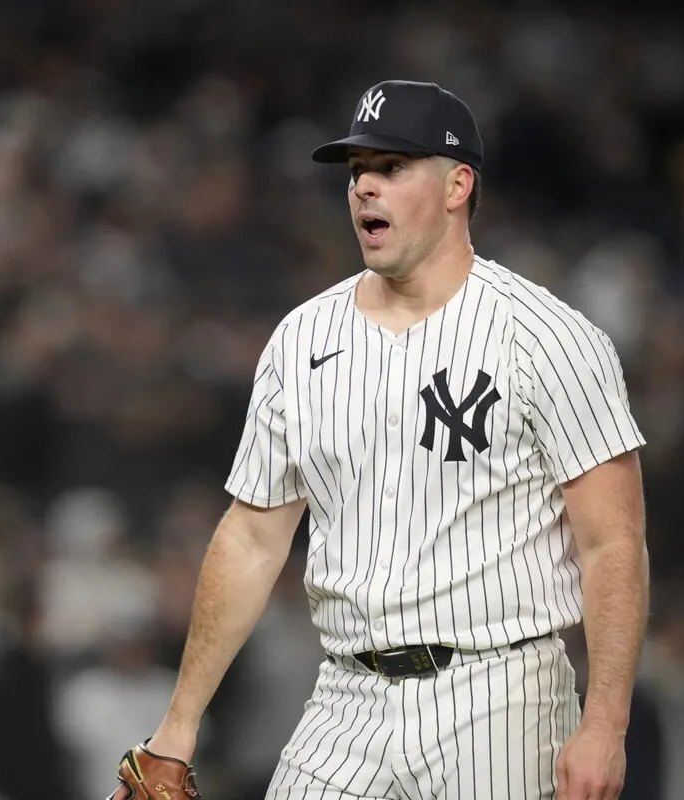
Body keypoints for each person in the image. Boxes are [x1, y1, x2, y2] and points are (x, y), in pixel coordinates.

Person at [132, 80, 649, 800]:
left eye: (392, 167)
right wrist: (178, 726)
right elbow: (253, 537)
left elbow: (612, 543)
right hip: (344, 696)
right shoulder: (301, 340)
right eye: (356, 173)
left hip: (499, 693)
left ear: (457, 185)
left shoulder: (549, 339)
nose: (365, 188)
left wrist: (605, 725)